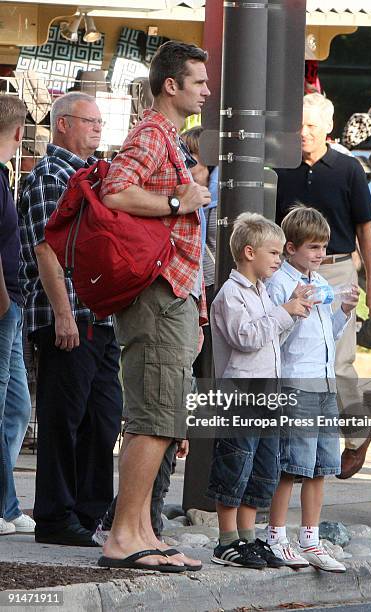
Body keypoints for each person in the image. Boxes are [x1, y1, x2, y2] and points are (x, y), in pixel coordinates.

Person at [97, 41, 211, 571]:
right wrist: (175, 201)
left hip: (175, 294)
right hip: (158, 295)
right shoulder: (149, 133)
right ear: (171, 85)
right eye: (199, 82)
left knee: (164, 417)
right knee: (153, 419)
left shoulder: (169, 136)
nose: (208, 91)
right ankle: (124, 535)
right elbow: (115, 191)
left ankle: (142, 531)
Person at [19, 92, 123, 546]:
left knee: (104, 416)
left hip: (98, 315)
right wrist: (63, 313)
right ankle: (57, 517)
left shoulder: (88, 175)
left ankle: (90, 512)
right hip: (67, 315)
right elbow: (46, 248)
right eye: (90, 120)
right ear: (63, 124)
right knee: (64, 419)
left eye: (101, 122)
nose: (98, 128)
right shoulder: (51, 175)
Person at [275, 93, 371, 479]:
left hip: (338, 271)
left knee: (338, 364)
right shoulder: (281, 166)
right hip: (289, 274)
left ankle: (356, 435)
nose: (303, 133)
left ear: (328, 129)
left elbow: (366, 232)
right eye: (299, 125)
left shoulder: (348, 169)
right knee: (294, 362)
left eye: (310, 126)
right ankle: (297, 444)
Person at [207, 212, 312, 569]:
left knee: (263, 467)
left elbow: (270, 337)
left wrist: (292, 311)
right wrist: (284, 312)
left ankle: (248, 537)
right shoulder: (230, 294)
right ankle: (226, 540)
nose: (280, 260)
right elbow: (247, 337)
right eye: (274, 253)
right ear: (249, 252)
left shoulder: (263, 293)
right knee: (235, 463)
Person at [266, 205, 359, 572]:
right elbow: (277, 339)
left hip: (323, 381)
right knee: (292, 464)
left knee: (321, 464)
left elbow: (328, 336)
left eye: (323, 247)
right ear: (291, 248)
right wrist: (295, 307)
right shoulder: (281, 284)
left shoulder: (319, 282)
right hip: (297, 383)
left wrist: (344, 311)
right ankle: (275, 536)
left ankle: (310, 537)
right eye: (313, 248)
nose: (320, 254)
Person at [0, 94, 34, 536]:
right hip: (5, 302)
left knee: (16, 407)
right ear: (18, 132)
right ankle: (4, 506)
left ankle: (5, 502)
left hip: (13, 302)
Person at [180, 125, 218, 379]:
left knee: (209, 360)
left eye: (190, 159)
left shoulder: (222, 198)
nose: (184, 164)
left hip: (214, 285)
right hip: (191, 285)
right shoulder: (184, 196)